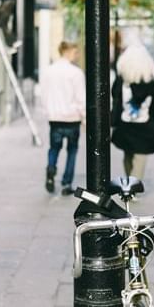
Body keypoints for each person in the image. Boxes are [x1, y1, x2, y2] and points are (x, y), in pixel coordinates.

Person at [111, 43, 154, 180]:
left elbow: (114, 97)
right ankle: (133, 185)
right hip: (145, 124)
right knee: (140, 157)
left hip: (125, 123)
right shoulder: (151, 82)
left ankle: (129, 182)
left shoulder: (121, 80)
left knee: (127, 154)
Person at [40, 41, 86, 195]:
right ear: (67, 51)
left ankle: (51, 170)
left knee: (54, 148)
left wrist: (48, 111)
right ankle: (67, 183)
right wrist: (84, 118)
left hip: (55, 118)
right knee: (72, 150)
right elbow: (81, 98)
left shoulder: (49, 71)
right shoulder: (76, 73)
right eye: (75, 52)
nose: (77, 55)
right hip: (72, 118)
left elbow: (44, 95)